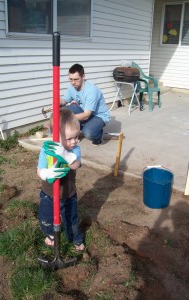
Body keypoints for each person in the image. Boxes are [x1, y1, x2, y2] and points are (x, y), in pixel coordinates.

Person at [37, 108, 85, 251]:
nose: (74, 141)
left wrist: (66, 156)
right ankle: (50, 234)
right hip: (48, 193)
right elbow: (39, 171)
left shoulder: (74, 150)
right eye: (69, 138)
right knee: (46, 217)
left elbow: (76, 165)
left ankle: (75, 238)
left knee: (71, 219)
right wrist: (47, 173)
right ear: (55, 136)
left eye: (76, 137)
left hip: (68, 194)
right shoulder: (46, 150)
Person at [60, 63, 111, 146]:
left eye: (76, 79)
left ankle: (98, 135)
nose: (73, 82)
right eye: (71, 79)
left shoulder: (92, 90)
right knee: (64, 110)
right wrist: (58, 102)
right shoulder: (72, 87)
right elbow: (65, 100)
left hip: (99, 116)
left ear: (83, 76)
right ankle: (81, 128)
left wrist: (68, 118)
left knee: (88, 133)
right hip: (85, 111)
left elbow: (86, 115)